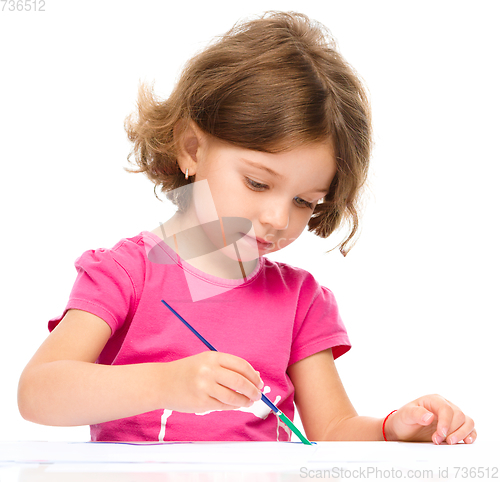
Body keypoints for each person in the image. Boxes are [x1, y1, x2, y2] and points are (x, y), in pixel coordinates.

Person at [18, 11, 476, 445]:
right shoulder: (127, 273)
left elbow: (332, 429)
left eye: (304, 201)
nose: (279, 218)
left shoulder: (299, 302)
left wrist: (396, 430)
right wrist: (167, 382)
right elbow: (38, 392)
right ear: (192, 149)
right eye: (258, 182)